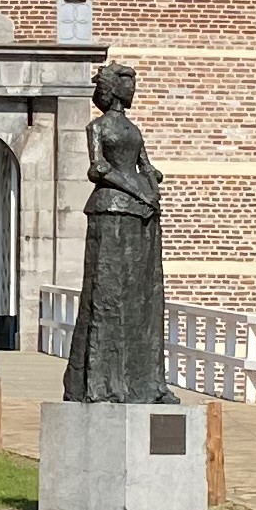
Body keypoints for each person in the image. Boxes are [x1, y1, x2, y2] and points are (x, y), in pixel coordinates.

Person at [63, 61, 169, 404]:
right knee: (109, 294)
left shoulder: (134, 129)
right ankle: (103, 382)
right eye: (127, 83)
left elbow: (146, 165)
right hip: (111, 210)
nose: (133, 89)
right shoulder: (97, 127)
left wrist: (152, 182)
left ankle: (148, 382)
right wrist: (139, 191)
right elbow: (99, 169)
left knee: (144, 295)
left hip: (142, 214)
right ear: (112, 89)